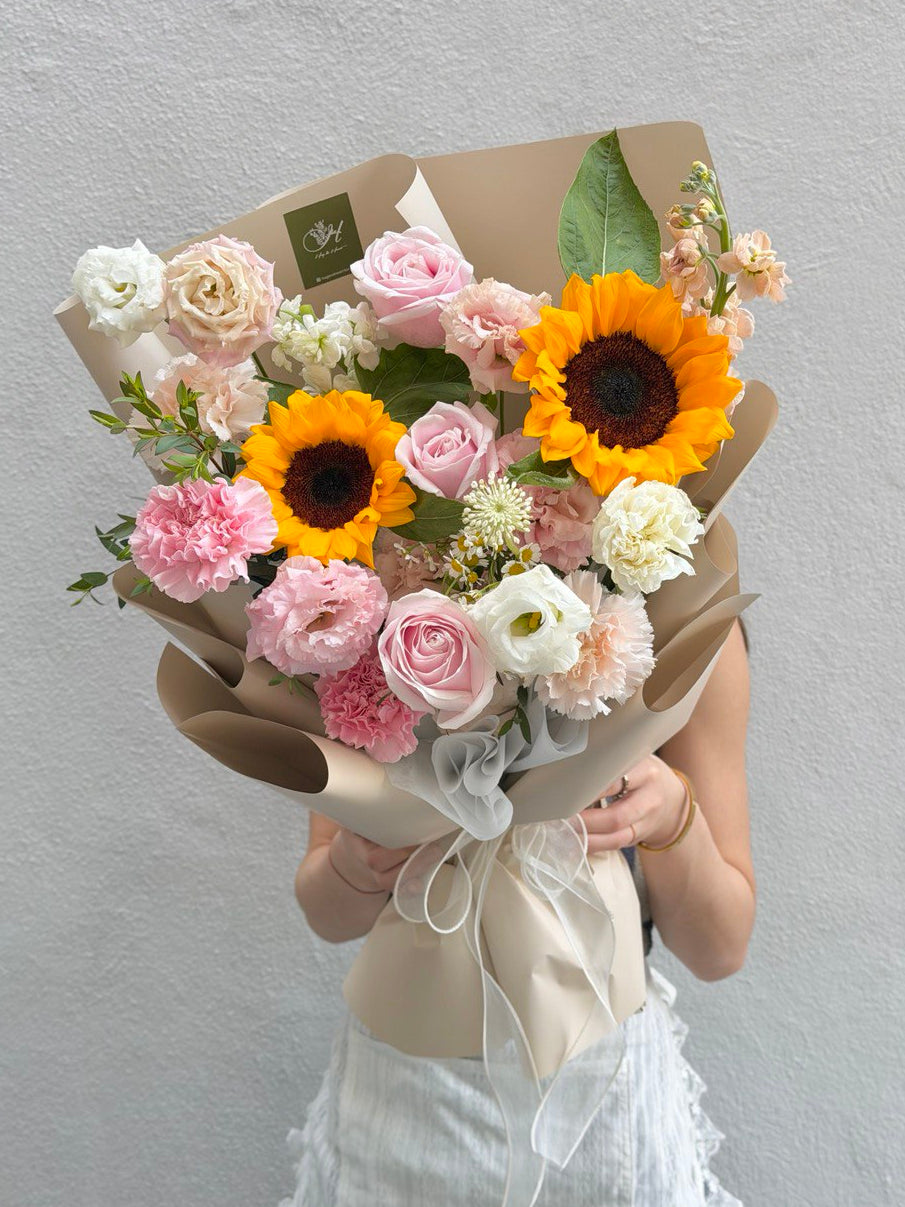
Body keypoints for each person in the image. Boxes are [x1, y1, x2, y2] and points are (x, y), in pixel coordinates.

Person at [280, 619, 753, 1207]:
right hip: (406, 1087)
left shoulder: (684, 622)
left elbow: (721, 947)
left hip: (602, 1084)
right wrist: (357, 861)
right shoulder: (355, 618)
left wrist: (673, 813)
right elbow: (328, 914)